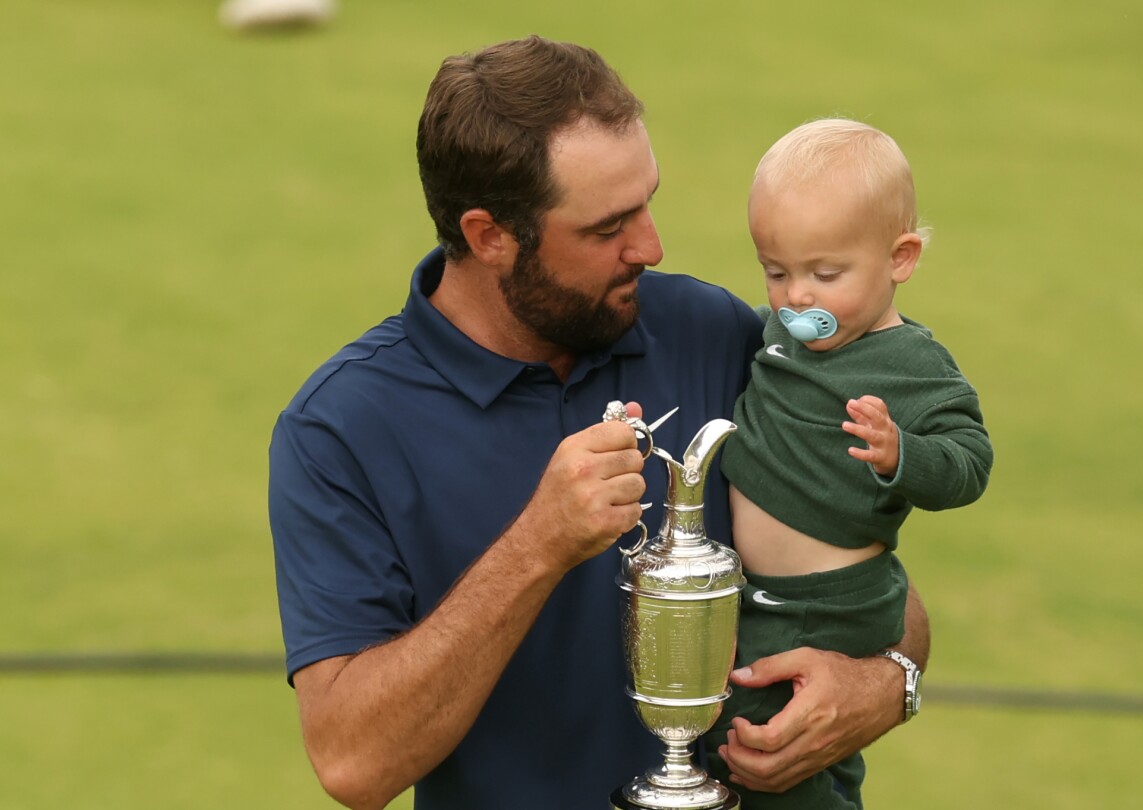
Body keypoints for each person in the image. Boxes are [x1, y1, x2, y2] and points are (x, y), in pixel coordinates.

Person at [268, 37, 929, 810]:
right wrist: (538, 544)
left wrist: (885, 683)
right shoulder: (342, 429)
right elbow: (354, 762)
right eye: (606, 227)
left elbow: (880, 592)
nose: (650, 246)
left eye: (647, 201)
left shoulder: (716, 335)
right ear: (490, 237)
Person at [702, 119, 994, 809]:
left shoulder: (914, 368)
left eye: (825, 274)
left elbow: (971, 463)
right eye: (777, 271)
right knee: (753, 746)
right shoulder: (780, 335)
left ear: (901, 258)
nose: (798, 297)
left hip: (829, 609)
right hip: (757, 595)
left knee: (760, 749)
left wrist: (903, 454)